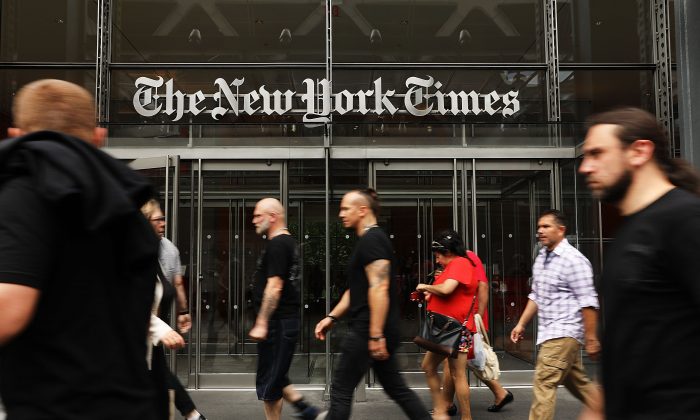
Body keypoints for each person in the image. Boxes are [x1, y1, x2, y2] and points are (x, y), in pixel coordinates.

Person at [0, 79, 159, 418]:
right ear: (98, 137)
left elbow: (8, 310)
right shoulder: (128, 212)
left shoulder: (26, 194)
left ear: (16, 135)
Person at [579, 107, 700, 419]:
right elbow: (632, 338)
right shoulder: (631, 229)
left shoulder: (685, 219)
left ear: (639, 151)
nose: (585, 167)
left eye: (597, 154)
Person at [314, 189, 430, 420]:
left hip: (367, 331)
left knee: (341, 391)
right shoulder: (370, 240)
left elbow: (378, 288)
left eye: (346, 208)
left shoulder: (373, 240)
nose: (341, 214)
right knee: (396, 388)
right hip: (374, 330)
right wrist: (332, 317)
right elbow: (357, 289)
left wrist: (376, 336)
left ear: (362, 210)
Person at [510, 210, 602, 420]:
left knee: (544, 382)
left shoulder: (574, 260)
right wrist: (521, 323)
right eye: (539, 227)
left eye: (546, 227)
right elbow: (537, 295)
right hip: (550, 331)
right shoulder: (542, 256)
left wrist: (591, 338)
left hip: (564, 332)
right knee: (577, 383)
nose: (540, 231)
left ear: (561, 230)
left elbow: (588, 302)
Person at [248, 198, 321, 420]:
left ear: (273, 216)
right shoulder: (286, 243)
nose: (254, 220)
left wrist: (261, 322)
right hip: (281, 322)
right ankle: (307, 411)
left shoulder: (279, 244)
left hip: (277, 323)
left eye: (258, 215)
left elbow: (275, 286)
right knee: (276, 376)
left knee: (271, 384)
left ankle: (308, 412)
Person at [141, 199, 205, 420]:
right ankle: (192, 413)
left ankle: (191, 413)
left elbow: (176, 283)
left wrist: (182, 312)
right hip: (143, 331)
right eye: (158, 219)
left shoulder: (164, 249)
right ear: (144, 222)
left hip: (155, 324)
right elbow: (129, 304)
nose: (164, 223)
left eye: (164, 218)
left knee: (158, 373)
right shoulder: (133, 255)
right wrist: (163, 327)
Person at [438, 250, 513, 416]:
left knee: (455, 362)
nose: (438, 258)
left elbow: (483, 285)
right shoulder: (455, 260)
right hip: (463, 318)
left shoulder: (467, 257)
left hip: (469, 319)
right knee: (463, 361)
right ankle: (500, 393)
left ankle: (447, 405)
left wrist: (478, 316)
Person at [415, 230, 477, 420]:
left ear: (448, 251)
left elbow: (447, 289)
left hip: (456, 329)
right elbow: (447, 292)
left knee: (458, 374)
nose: (437, 260)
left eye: (438, 255)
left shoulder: (460, 263)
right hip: (443, 327)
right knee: (428, 366)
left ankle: (466, 417)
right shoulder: (452, 267)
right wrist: (430, 294)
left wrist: (425, 286)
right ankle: (441, 409)